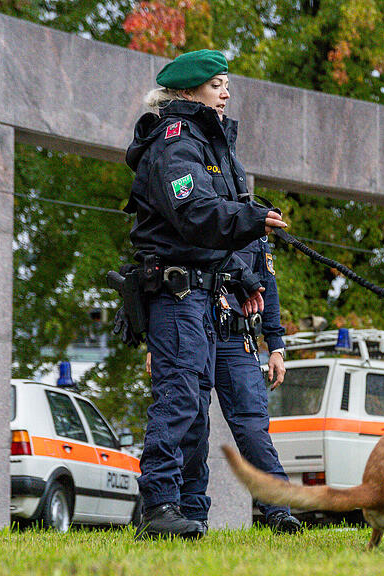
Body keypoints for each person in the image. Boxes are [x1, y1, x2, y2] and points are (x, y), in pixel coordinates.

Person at [123, 49, 287, 539]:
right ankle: (160, 508)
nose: (226, 92)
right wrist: (251, 218)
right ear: (188, 90)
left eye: (226, 83)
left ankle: (188, 512)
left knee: (195, 403)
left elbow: (224, 236)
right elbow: (193, 212)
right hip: (176, 292)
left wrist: (246, 277)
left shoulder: (213, 144)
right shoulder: (176, 141)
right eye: (217, 83)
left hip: (205, 294)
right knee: (180, 401)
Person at [213, 235, 302, 534]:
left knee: (252, 428)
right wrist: (153, 344)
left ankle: (278, 511)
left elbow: (268, 288)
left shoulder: (251, 227)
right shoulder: (188, 206)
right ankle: (182, 512)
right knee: (188, 423)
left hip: (238, 340)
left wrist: (275, 346)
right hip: (191, 332)